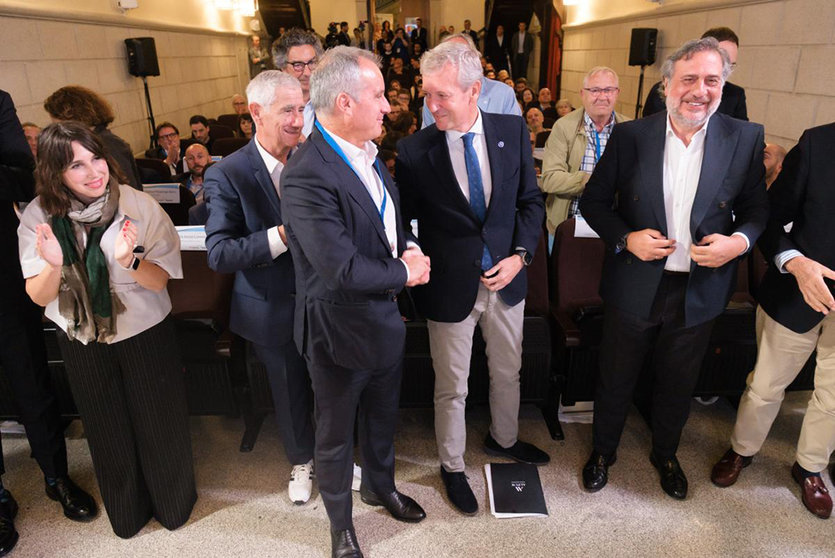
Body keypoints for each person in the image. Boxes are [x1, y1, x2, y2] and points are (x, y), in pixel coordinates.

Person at [578, 37, 769, 501]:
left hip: (699, 289)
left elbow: (757, 210)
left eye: (712, 80)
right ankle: (603, 451)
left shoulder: (744, 137)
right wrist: (627, 239)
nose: (699, 90)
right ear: (667, 86)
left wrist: (737, 243)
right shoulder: (631, 136)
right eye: (689, 79)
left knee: (678, 382)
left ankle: (666, 453)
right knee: (616, 374)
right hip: (635, 283)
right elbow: (594, 203)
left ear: (723, 85)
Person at [281, 46, 430, 558]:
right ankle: (340, 526)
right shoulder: (307, 172)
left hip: (384, 318)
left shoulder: (366, 152)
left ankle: (380, 486)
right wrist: (406, 272)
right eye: (379, 95)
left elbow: (388, 221)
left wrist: (406, 245)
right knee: (336, 434)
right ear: (345, 102)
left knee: (384, 416)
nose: (389, 105)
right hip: (336, 331)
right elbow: (339, 268)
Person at [18, 121, 195, 538]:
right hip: (82, 336)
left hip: (144, 331)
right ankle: (127, 512)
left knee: (159, 422)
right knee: (105, 425)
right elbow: (38, 296)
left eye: (96, 157)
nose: (94, 171)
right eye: (76, 165)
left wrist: (130, 259)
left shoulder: (137, 204)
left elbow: (160, 281)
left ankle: (173, 505)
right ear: (53, 171)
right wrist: (56, 264)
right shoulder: (39, 215)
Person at [397, 40, 548, 516]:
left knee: (508, 371)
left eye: (442, 95)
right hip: (449, 287)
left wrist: (520, 256)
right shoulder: (415, 150)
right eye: (428, 95)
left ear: (474, 91)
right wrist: (411, 250)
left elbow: (531, 202)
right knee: (453, 384)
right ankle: (453, 466)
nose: (431, 105)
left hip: (507, 279)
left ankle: (504, 439)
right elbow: (402, 223)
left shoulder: (510, 130)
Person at [709, 122, 835, 519]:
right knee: (764, 388)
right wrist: (796, 264)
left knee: (833, 398)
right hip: (797, 293)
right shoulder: (818, 142)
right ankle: (742, 451)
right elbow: (769, 219)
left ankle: (811, 467)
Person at [203, 71, 317, 506]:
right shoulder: (228, 174)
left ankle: (337, 456)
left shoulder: (315, 158)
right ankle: (301, 460)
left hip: (325, 301)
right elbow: (220, 253)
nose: (297, 118)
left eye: (302, 107)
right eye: (287, 109)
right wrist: (283, 235)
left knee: (330, 385)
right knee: (288, 389)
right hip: (270, 306)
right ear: (255, 113)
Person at [1, 91, 98, 557]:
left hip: (3, 278)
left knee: (30, 382)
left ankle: (56, 477)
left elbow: (24, 177)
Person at [540, 67, 629, 237]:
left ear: (617, 93)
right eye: (595, 90)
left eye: (608, 90)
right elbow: (549, 180)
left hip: (614, 229)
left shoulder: (629, 129)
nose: (602, 96)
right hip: (570, 226)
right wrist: (590, 181)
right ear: (582, 94)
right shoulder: (563, 127)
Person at [43, 85, 142, 190]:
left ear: (71, 117)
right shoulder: (98, 140)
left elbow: (126, 190)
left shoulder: (109, 144)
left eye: (58, 123)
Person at [643, 27, 747, 120]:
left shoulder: (735, 94)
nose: (725, 70)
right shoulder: (667, 88)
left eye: (730, 65)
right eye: (721, 62)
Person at [422, 33, 521, 128]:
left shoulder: (503, 93)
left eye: (461, 57)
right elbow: (427, 140)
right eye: (446, 58)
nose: (453, 63)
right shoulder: (431, 99)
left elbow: (514, 136)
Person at [271, 27, 324, 138]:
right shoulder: (269, 107)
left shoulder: (330, 103)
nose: (307, 72)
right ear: (283, 68)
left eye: (312, 63)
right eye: (298, 65)